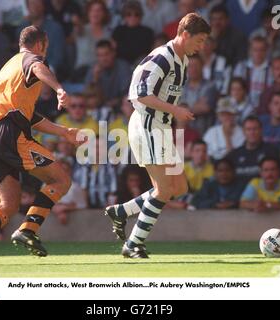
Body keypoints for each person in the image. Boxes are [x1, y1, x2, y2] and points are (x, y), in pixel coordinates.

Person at [0, 26, 82, 265]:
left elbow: (29, 116)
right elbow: (37, 67)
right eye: (45, 48)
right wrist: (59, 89)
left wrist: (63, 131)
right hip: (12, 134)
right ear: (40, 44)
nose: (45, 53)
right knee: (61, 180)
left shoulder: (10, 66)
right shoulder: (32, 59)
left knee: (9, 203)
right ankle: (28, 230)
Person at [104, 13, 210, 258]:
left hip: (160, 128)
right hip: (148, 126)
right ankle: (133, 244)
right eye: (200, 40)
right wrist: (176, 110)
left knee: (179, 186)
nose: (202, 46)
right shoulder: (162, 57)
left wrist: (172, 116)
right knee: (163, 190)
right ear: (185, 35)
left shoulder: (182, 59)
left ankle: (121, 211)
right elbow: (139, 94)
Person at [227, 116, 279, 186]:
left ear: (261, 130)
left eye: (255, 129)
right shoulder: (234, 155)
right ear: (243, 131)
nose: (252, 132)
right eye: (248, 129)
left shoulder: (271, 152)